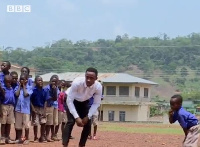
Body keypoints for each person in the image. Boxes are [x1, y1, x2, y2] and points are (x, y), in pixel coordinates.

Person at [62, 67, 102, 147]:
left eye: (91, 78)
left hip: (84, 102)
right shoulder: (77, 82)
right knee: (71, 121)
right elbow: (69, 101)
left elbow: (96, 103)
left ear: (96, 78)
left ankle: (81, 145)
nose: (88, 80)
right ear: (85, 76)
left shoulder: (98, 87)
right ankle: (65, 144)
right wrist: (77, 117)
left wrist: (88, 116)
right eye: (87, 77)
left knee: (88, 123)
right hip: (71, 100)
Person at [14, 74, 33, 144]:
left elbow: (25, 95)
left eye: (23, 79)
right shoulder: (17, 87)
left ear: (26, 80)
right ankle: (20, 138)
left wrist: (24, 86)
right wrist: (19, 86)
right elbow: (16, 94)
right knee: (18, 125)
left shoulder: (30, 88)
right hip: (18, 109)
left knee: (26, 125)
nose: (21, 81)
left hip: (26, 110)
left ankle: (27, 138)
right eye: (20, 79)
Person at [31, 76, 48, 143]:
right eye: (38, 80)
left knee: (43, 122)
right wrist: (33, 109)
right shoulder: (33, 90)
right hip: (35, 108)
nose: (40, 82)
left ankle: (42, 137)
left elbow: (46, 101)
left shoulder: (44, 90)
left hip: (42, 108)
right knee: (35, 123)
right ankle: (35, 137)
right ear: (35, 82)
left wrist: (44, 110)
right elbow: (30, 101)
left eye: (41, 80)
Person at [0, 75, 16, 144]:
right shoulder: (3, 89)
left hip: (11, 107)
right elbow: (1, 98)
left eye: (10, 82)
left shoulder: (12, 88)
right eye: (7, 82)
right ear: (4, 82)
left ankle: (7, 137)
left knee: (9, 123)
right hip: (4, 106)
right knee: (3, 123)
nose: (9, 83)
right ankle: (2, 138)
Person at [44, 75, 59, 142]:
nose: (53, 83)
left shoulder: (56, 88)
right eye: (52, 81)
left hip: (54, 106)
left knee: (52, 122)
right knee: (46, 122)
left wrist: (54, 90)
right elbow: (47, 98)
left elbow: (55, 98)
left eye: (55, 82)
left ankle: (52, 135)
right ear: (50, 81)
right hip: (47, 106)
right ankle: (44, 135)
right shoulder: (46, 88)